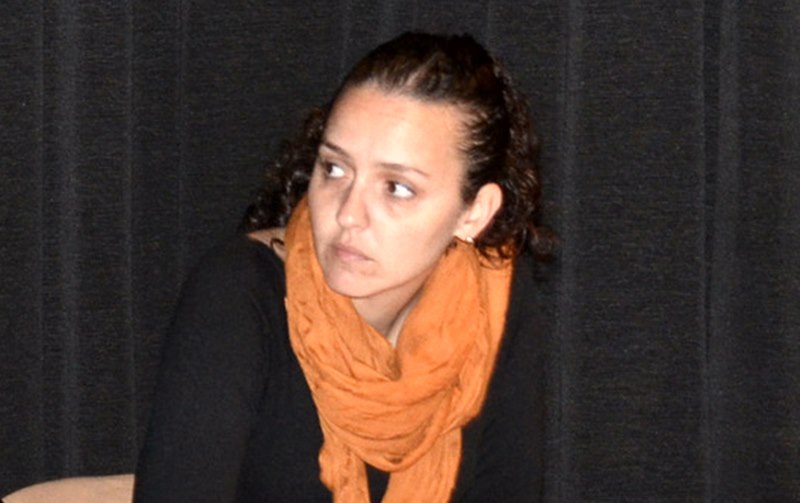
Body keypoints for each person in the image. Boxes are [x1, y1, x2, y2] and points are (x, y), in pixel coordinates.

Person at [134, 31, 550, 502]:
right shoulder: (238, 297)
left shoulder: (492, 303)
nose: (349, 214)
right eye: (334, 169)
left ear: (474, 213)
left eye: (396, 188)